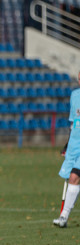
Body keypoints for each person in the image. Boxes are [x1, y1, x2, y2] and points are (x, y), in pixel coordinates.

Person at [56, 71, 80, 228]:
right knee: (72, 178)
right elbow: (73, 122)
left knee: (74, 177)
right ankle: (63, 217)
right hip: (75, 145)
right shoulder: (75, 95)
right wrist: (67, 143)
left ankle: (63, 216)